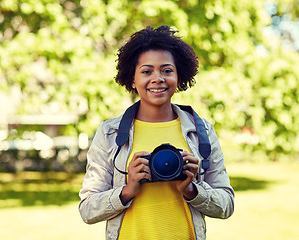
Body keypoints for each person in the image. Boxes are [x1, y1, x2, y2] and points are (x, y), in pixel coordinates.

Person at [79, 25, 234, 240]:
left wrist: (192, 190)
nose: (157, 78)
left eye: (167, 70)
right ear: (133, 79)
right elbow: (87, 210)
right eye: (146, 71)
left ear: (179, 77)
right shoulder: (110, 133)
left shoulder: (201, 132)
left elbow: (227, 204)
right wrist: (127, 190)